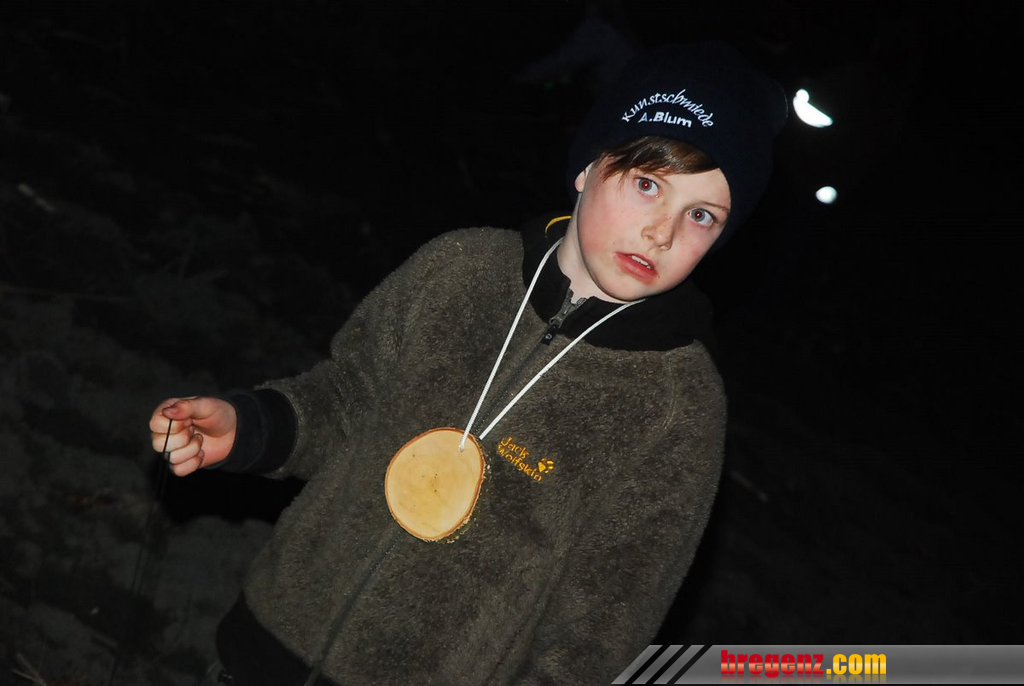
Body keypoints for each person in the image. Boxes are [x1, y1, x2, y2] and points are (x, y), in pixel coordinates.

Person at [149, 40, 787, 685]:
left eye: (701, 215)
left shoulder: (677, 407)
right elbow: (347, 397)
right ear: (589, 167)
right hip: (267, 642)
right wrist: (249, 426)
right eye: (647, 184)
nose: (663, 232)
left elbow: (603, 626)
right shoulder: (460, 269)